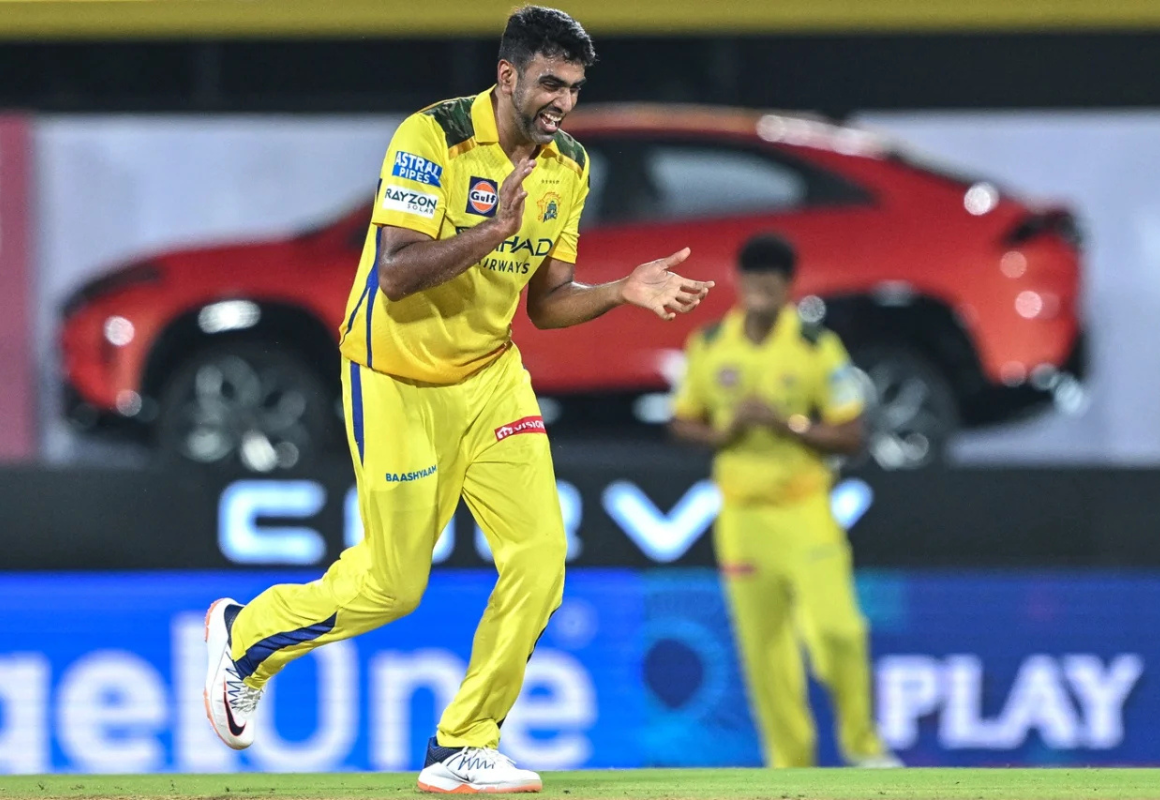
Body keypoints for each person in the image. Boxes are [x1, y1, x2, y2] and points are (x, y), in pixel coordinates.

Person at [202, 6, 713, 793]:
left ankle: (464, 742)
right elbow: (396, 274)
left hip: (491, 379)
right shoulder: (432, 137)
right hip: (394, 378)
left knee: (540, 559)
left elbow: (548, 304)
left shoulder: (569, 165)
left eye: (574, 89)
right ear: (507, 76)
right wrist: (494, 230)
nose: (562, 104)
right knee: (392, 586)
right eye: (550, 84)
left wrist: (621, 290)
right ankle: (247, 637)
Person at [669, 233, 899, 769]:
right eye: (753, 277)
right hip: (742, 517)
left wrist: (787, 424)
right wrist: (725, 431)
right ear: (739, 280)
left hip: (804, 509)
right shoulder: (709, 344)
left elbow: (852, 435)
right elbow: (681, 422)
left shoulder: (817, 347)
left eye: (772, 280)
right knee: (765, 651)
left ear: (789, 286)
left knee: (839, 630)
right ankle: (790, 768)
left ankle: (863, 746)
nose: (761, 288)